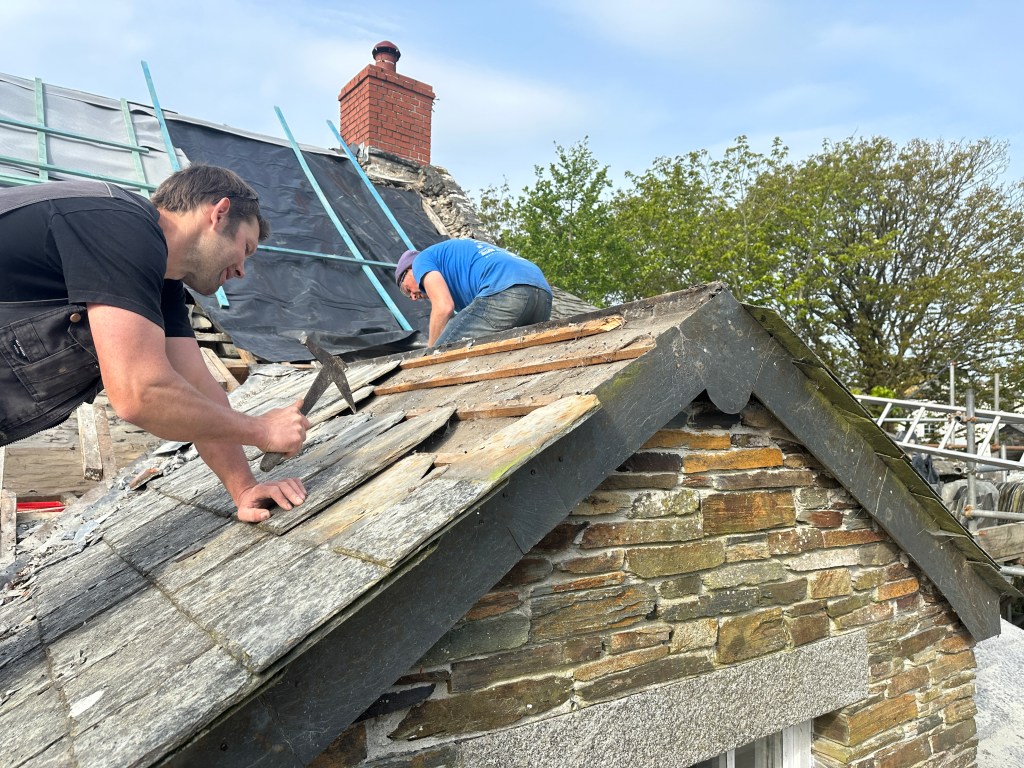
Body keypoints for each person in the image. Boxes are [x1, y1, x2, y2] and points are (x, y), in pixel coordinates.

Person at [0, 165, 309, 523]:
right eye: (246, 248)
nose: (241, 270)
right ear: (219, 213)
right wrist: (262, 430)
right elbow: (142, 394)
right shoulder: (119, 224)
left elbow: (197, 387)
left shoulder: (160, 280)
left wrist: (243, 488)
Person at [394, 239, 552, 347]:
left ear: (409, 269)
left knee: (444, 351)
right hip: (542, 292)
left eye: (407, 290)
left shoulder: (420, 261)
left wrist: (430, 353)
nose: (413, 297)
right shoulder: (455, 264)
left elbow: (443, 307)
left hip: (506, 290)